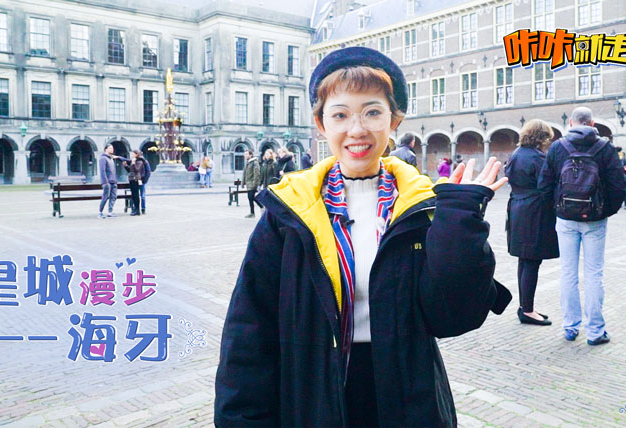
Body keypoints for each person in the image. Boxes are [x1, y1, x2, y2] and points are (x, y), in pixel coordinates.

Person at [215, 46, 511, 427]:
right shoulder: (288, 214)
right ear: (321, 124)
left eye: (372, 112)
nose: (357, 130)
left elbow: (452, 317)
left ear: (394, 120)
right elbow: (248, 332)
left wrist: (458, 221)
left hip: (407, 401)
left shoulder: (420, 207)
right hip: (313, 398)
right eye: (340, 115)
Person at [538, 107, 625, 346]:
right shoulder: (605, 148)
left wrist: (558, 209)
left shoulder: (558, 147)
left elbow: (544, 185)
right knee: (594, 274)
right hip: (595, 220)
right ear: (592, 124)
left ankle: (570, 327)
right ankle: (595, 332)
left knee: (568, 272)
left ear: (571, 123)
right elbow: (618, 187)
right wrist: (604, 212)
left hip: (566, 219)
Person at [505, 120, 559, 326]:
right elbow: (546, 186)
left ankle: (525, 307)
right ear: (541, 137)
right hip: (533, 211)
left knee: (524, 260)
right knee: (531, 261)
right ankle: (527, 310)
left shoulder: (516, 154)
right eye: (547, 138)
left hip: (517, 208)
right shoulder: (538, 158)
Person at [98, 144, 119, 219]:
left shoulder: (111, 159)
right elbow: (102, 171)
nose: (112, 149)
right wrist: (105, 182)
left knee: (113, 197)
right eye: (110, 148)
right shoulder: (103, 158)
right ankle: (100, 212)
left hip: (113, 181)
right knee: (105, 197)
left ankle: (110, 212)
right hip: (107, 182)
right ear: (106, 149)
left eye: (112, 148)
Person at [241, 149, 262, 218]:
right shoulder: (248, 163)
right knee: (250, 198)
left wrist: (255, 183)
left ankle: (261, 206)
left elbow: (257, 173)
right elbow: (244, 173)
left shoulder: (254, 162)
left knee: (251, 197)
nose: (245, 155)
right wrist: (243, 183)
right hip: (248, 183)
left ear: (250, 155)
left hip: (252, 183)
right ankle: (252, 213)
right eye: (244, 154)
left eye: (246, 154)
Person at [124, 150, 145, 216]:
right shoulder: (134, 161)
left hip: (135, 179)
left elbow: (137, 170)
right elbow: (131, 170)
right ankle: (135, 209)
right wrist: (126, 166)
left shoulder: (140, 161)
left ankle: (137, 210)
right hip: (131, 179)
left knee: (136, 195)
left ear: (137, 154)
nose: (132, 155)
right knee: (133, 195)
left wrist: (133, 163)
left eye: (133, 154)